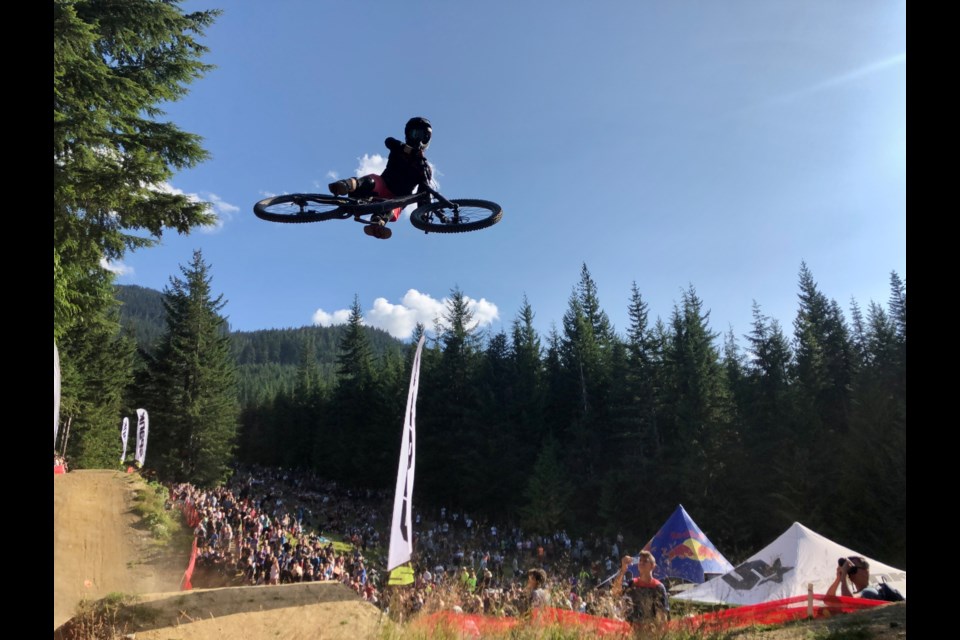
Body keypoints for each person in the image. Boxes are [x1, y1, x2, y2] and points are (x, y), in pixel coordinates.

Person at [328, 116, 433, 240]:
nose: (418, 138)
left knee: (392, 206)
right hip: (382, 185)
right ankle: (344, 185)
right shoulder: (399, 149)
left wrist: (424, 214)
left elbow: (423, 193)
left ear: (427, 138)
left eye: (422, 135)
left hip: (399, 198)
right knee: (371, 180)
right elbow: (389, 141)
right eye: (415, 133)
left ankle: (378, 223)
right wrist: (408, 150)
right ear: (408, 134)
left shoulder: (424, 168)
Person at [611, 552, 669, 625]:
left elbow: (663, 614)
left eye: (645, 561)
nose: (641, 563)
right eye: (640, 561)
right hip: (631, 627)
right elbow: (616, 592)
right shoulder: (633, 583)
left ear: (652, 566)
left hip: (649, 628)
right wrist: (623, 570)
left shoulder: (658, 586)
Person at [827, 556, 902, 601]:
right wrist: (838, 578)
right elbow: (828, 601)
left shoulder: (870, 591)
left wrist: (843, 578)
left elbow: (851, 602)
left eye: (853, 569)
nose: (849, 573)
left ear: (865, 572)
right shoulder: (854, 593)